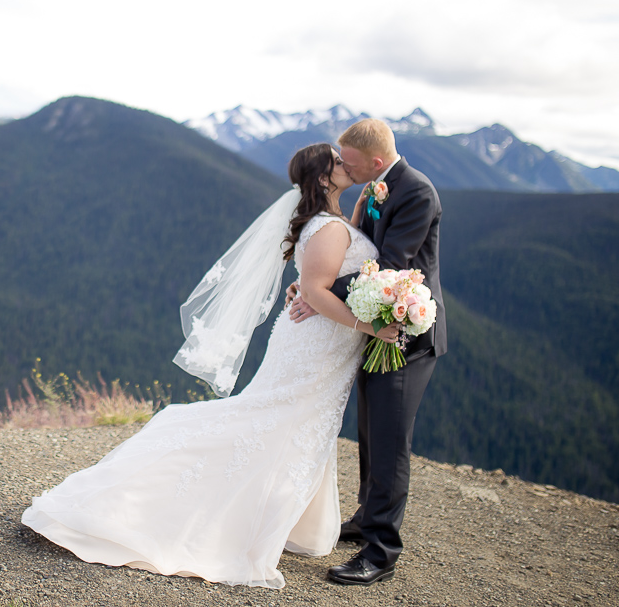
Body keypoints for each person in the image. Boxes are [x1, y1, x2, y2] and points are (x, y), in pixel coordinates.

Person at [22, 143, 397, 589]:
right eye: (336, 162)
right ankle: (186, 503)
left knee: (288, 420)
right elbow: (317, 292)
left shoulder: (330, 223)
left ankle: (285, 518)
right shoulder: (329, 228)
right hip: (318, 345)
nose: (344, 164)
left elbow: (324, 277)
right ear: (321, 177)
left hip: (318, 341)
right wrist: (372, 327)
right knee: (279, 418)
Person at [287, 119, 447, 586]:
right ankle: (364, 517)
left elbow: (391, 267)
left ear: (376, 162)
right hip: (376, 329)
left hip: (405, 336)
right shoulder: (377, 186)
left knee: (391, 441)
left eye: (350, 163)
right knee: (372, 431)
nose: (345, 168)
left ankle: (381, 551)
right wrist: (315, 284)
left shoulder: (416, 192)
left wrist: (319, 291)